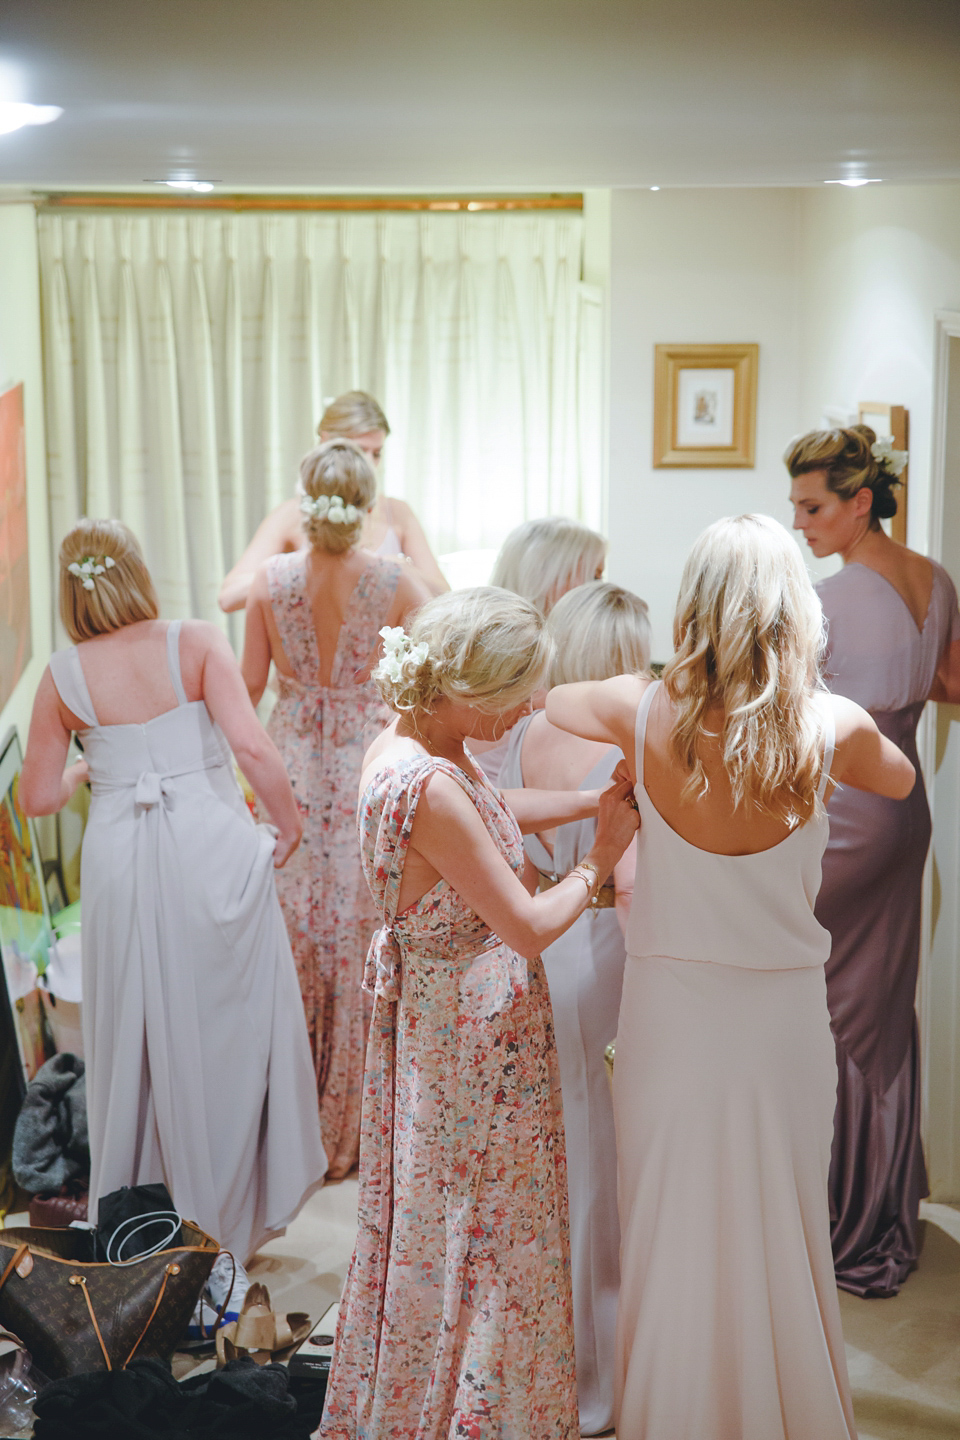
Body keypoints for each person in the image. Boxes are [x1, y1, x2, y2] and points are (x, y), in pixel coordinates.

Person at [547, 514, 916, 1440]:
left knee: (670, 1222)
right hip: (780, 1021)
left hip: (672, 1016)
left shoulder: (641, 709)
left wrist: (660, 696)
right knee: (777, 1220)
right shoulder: (829, 724)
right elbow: (904, 781)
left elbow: (555, 703)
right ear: (795, 610)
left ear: (697, 604)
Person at [319, 587, 640, 1440]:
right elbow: (529, 928)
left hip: (443, 1026)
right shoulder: (429, 785)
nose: (527, 710)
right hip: (469, 1048)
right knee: (482, 1240)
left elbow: (484, 814)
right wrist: (600, 859)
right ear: (460, 687)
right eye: (514, 695)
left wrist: (580, 804)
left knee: (448, 1228)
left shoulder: (410, 746)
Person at [20, 519, 327, 1268]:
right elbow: (252, 746)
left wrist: (90, 770)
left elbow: (34, 797)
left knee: (138, 1036)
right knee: (232, 1025)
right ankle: (230, 1208)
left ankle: (149, 1227)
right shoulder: (193, 640)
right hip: (209, 850)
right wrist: (288, 827)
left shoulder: (61, 676)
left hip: (121, 860)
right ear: (138, 572)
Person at [787, 424, 960, 1296]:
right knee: (881, 1013)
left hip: (845, 818)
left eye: (812, 506)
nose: (797, 520)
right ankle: (883, 1211)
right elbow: (953, 687)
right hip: (907, 815)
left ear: (860, 502)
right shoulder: (937, 578)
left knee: (822, 1008)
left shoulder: (823, 599)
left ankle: (835, 1218)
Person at [241, 437, 429, 1178]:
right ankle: (347, 1126)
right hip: (364, 762)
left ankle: (286, 1124)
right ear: (367, 505)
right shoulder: (399, 584)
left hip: (288, 763)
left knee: (290, 937)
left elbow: (248, 697)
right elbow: (421, 693)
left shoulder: (269, 581)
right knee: (359, 934)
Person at [499, 580, 651, 1436]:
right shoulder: (626, 756)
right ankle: (600, 1371)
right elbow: (635, 884)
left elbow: (511, 855)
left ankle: (551, 1353)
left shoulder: (521, 734)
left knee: (552, 1155)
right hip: (603, 947)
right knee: (601, 1158)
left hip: (539, 944)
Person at [219, 390, 448, 611]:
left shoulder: (398, 512)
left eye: (376, 453)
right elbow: (228, 598)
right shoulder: (291, 514)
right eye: (359, 450)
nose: (370, 464)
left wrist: (398, 569)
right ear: (326, 442)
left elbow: (445, 596)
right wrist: (308, 568)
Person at [470, 515, 608, 786]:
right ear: (549, 577)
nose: (599, 588)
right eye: (594, 575)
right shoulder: (521, 665)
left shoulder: (492, 643)